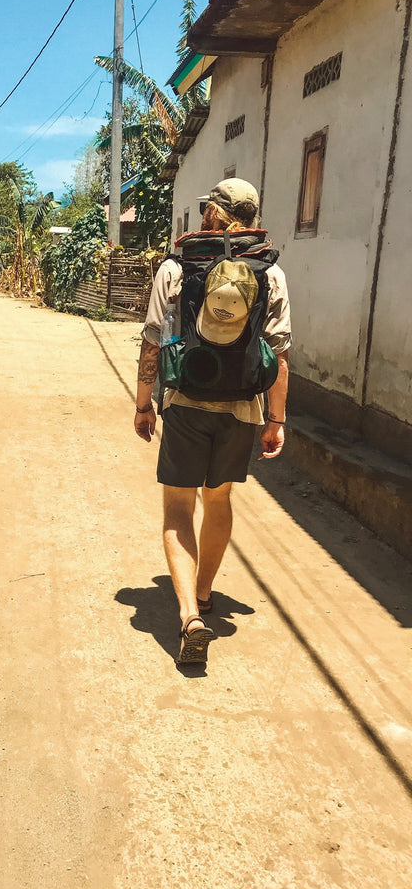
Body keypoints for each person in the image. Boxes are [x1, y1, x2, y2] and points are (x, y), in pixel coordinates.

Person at [134, 178, 291, 665]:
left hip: (184, 401)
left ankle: (189, 617)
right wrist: (275, 420)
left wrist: (143, 404)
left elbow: (153, 343)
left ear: (213, 215)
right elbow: (280, 356)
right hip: (243, 407)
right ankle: (203, 593)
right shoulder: (271, 272)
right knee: (218, 498)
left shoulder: (177, 266)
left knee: (178, 508)